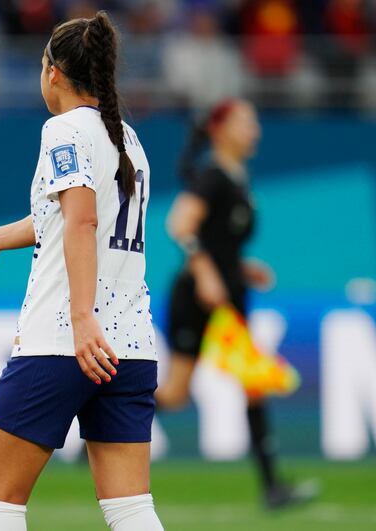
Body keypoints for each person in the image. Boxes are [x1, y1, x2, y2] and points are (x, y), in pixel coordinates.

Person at [0, 11, 164, 531]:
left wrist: (82, 315)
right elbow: (71, 217)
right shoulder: (128, 140)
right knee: (132, 510)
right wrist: (2, 236)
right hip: (130, 347)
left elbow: (82, 219)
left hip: (64, 340)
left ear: (52, 74)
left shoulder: (63, 128)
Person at [156, 98, 317, 509]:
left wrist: (241, 267)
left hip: (228, 298)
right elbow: (180, 224)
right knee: (175, 394)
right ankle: (102, 425)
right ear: (220, 129)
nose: (255, 131)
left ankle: (272, 487)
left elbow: (217, 241)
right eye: (246, 122)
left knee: (252, 385)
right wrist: (207, 273)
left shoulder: (236, 177)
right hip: (198, 297)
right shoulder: (213, 177)